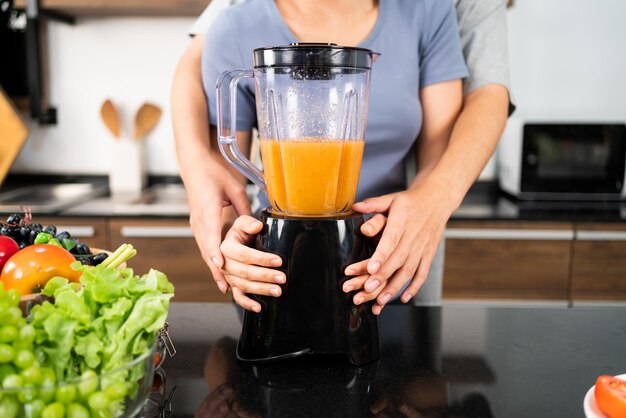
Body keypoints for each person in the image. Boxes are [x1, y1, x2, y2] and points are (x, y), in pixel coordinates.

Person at [172, 0, 513, 314]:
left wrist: (429, 203)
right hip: (277, 272)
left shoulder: (426, 11)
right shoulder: (236, 23)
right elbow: (225, 190)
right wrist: (233, 245)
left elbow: (439, 156)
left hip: (383, 267)